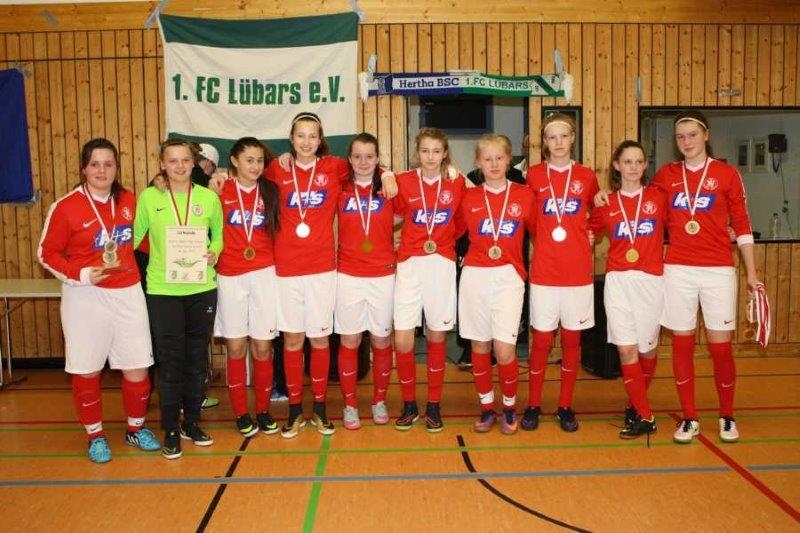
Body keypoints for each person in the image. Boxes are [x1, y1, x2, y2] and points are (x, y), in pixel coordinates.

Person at [264, 112, 397, 439]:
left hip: (323, 269)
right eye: (300, 135)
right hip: (286, 269)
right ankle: (295, 411)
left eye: (312, 136)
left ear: (320, 139)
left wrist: (389, 172)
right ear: (291, 139)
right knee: (292, 340)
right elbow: (246, 179)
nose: (306, 142)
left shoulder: (334, 167)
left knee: (321, 340)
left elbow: (366, 167)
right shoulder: (277, 169)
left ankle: (321, 409)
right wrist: (218, 178)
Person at [38, 138, 159, 463]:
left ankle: (135, 429)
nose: (102, 170)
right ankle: (95, 435)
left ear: (117, 167)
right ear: (84, 168)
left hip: (128, 292)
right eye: (95, 164)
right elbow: (46, 254)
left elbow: (147, 239)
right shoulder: (65, 207)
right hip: (85, 296)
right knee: (87, 369)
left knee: (137, 366)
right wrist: (81, 274)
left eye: (108, 164)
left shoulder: (129, 200)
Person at [649, 110, 760, 444]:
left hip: (718, 270)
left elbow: (742, 224)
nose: (686, 142)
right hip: (678, 270)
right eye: (680, 137)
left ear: (706, 135)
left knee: (720, 347)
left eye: (692, 135)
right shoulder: (667, 175)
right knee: (681, 346)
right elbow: (644, 208)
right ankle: (690, 418)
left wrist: (752, 273)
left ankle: (727, 415)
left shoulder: (726, 174)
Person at [134, 138, 223, 459]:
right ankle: (171, 428)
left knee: (196, 361)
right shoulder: (150, 197)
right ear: (162, 164)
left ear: (193, 163)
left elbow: (219, 237)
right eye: (172, 161)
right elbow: (133, 238)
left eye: (185, 160)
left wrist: (213, 252)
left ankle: (192, 423)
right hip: (163, 291)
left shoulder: (208, 198)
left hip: (201, 288)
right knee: (171, 363)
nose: (180, 166)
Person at [523, 113, 599, 433]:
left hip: (578, 272)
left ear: (572, 139)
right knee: (541, 341)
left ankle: (565, 405)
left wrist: (592, 232)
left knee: (571, 341)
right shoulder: (533, 175)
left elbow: (600, 210)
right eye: (551, 137)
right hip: (544, 270)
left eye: (563, 136)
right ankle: (533, 404)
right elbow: (528, 218)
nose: (558, 142)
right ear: (544, 142)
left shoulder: (586, 175)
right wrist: (543, 238)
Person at [457, 134, 536, 435]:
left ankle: (510, 407)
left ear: (509, 159)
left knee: (504, 349)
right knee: (480, 345)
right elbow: (448, 232)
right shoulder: (468, 198)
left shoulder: (525, 195)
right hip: (475, 276)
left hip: (508, 277)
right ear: (478, 162)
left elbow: (543, 232)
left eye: (499, 158)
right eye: (487, 159)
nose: (493, 164)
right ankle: (487, 408)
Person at [588, 140, 666, 439]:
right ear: (617, 166)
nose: (633, 167)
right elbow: (588, 231)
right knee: (626, 349)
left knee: (646, 350)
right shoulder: (606, 203)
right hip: (618, 281)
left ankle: (636, 403)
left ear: (645, 166)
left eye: (638, 161)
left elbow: (685, 221)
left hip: (651, 281)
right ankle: (646, 416)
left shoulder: (659, 198)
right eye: (627, 161)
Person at [392, 127, 467, 432]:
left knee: (437, 335)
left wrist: (442, 240)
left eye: (437, 151)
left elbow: (462, 221)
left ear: (445, 153)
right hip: (410, 264)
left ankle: (433, 405)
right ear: (417, 152)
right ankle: (409, 404)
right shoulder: (403, 181)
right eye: (425, 151)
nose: (431, 157)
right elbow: (393, 215)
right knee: (403, 338)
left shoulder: (457, 182)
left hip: (441, 264)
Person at [213, 137, 281, 437]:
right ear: (234, 161)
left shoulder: (271, 191)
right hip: (230, 275)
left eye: (259, 161)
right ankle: (241, 412)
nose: (255, 166)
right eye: (249, 160)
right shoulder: (220, 191)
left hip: (265, 274)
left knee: (263, 347)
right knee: (236, 346)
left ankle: (263, 410)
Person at [335, 132, 396, 429]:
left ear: (378, 159)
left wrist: (388, 174)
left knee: (382, 339)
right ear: (349, 158)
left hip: (383, 274)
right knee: (350, 339)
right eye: (357, 156)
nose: (363, 162)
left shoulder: (389, 186)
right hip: (347, 274)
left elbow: (408, 212)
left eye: (369, 156)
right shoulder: (339, 185)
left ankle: (379, 400)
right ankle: (349, 404)